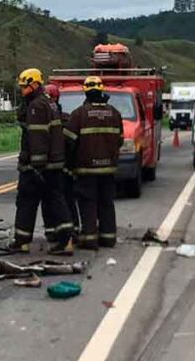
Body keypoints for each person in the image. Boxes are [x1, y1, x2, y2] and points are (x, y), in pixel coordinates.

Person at [11, 68, 74, 255]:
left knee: (27, 201)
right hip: (52, 164)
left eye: (25, 87)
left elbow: (37, 138)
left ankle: (23, 241)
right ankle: (63, 240)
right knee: (54, 200)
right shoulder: (47, 103)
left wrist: (37, 167)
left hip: (38, 166)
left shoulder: (37, 106)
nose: (22, 90)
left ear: (35, 85)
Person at [64, 76, 123, 250]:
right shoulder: (115, 114)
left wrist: (70, 164)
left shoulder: (78, 114)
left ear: (86, 92)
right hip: (108, 169)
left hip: (86, 169)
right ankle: (108, 237)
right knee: (106, 203)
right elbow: (120, 141)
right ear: (101, 90)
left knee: (87, 203)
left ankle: (89, 238)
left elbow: (69, 142)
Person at [41, 84, 80, 242]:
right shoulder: (66, 118)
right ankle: (73, 230)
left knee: (50, 199)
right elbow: (74, 144)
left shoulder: (48, 118)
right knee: (67, 199)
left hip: (52, 167)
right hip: (66, 167)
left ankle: (53, 232)